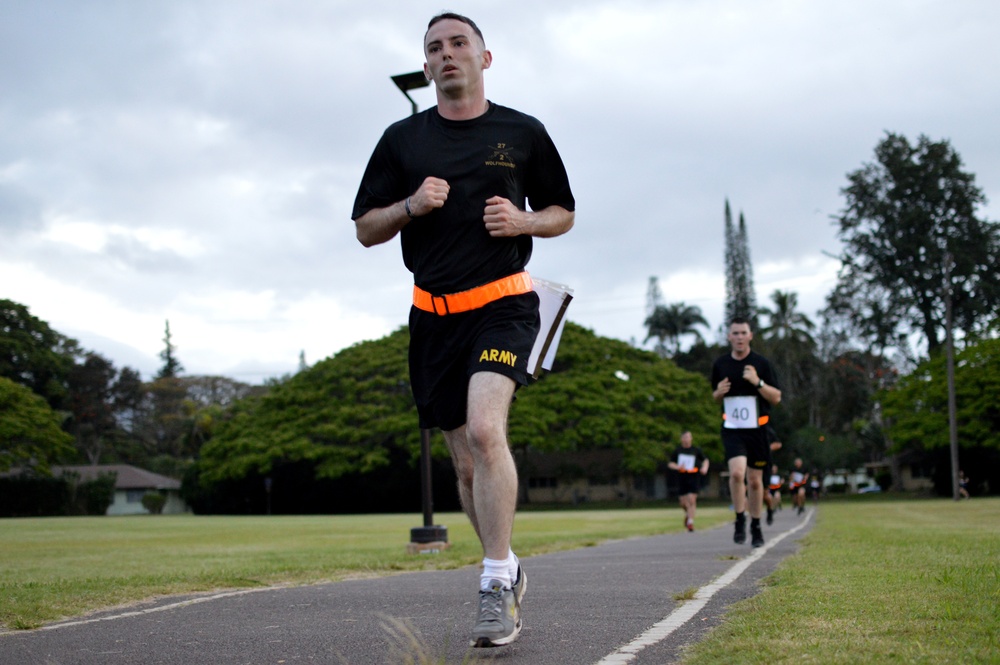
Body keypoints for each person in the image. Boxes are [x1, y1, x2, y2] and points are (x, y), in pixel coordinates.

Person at [352, 13, 575, 648]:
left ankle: (492, 583)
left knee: (484, 429)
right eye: (434, 49)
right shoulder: (401, 140)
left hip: (504, 304)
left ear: (485, 57)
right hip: (434, 316)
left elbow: (564, 211)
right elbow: (366, 226)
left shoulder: (522, 131)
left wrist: (525, 223)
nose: (446, 55)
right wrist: (409, 207)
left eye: (458, 44)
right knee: (465, 465)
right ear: (425, 68)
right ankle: (506, 567)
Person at [711, 317, 782, 548]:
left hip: (758, 429)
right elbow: (714, 396)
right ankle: (739, 518)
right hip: (733, 429)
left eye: (743, 333)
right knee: (736, 473)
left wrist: (757, 382)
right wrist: (718, 393)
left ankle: (756, 524)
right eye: (735, 333)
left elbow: (777, 397)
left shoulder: (761, 364)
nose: (739, 337)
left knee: (754, 481)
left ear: (750, 335)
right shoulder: (721, 364)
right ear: (729, 336)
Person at [667, 431, 710, 531]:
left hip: (694, 476)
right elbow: (670, 464)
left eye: (689, 437)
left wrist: (705, 468)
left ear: (691, 438)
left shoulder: (696, 450)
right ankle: (688, 514)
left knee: (692, 499)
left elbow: (705, 460)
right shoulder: (678, 451)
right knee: (683, 502)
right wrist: (677, 467)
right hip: (682, 476)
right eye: (685, 437)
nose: (687, 439)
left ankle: (690, 522)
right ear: (682, 439)